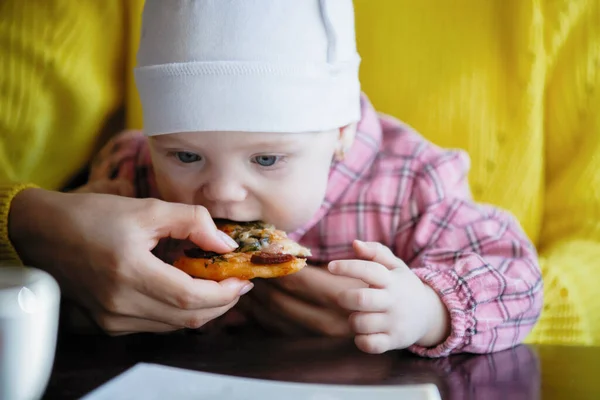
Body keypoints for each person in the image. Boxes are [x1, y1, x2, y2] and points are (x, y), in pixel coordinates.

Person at [0, 0, 598, 348]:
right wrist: (61, 263)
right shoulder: (130, 171)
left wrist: (428, 312)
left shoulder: (413, 183)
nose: (223, 192)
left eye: (266, 160)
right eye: (185, 156)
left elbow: (519, 279)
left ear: (339, 133)